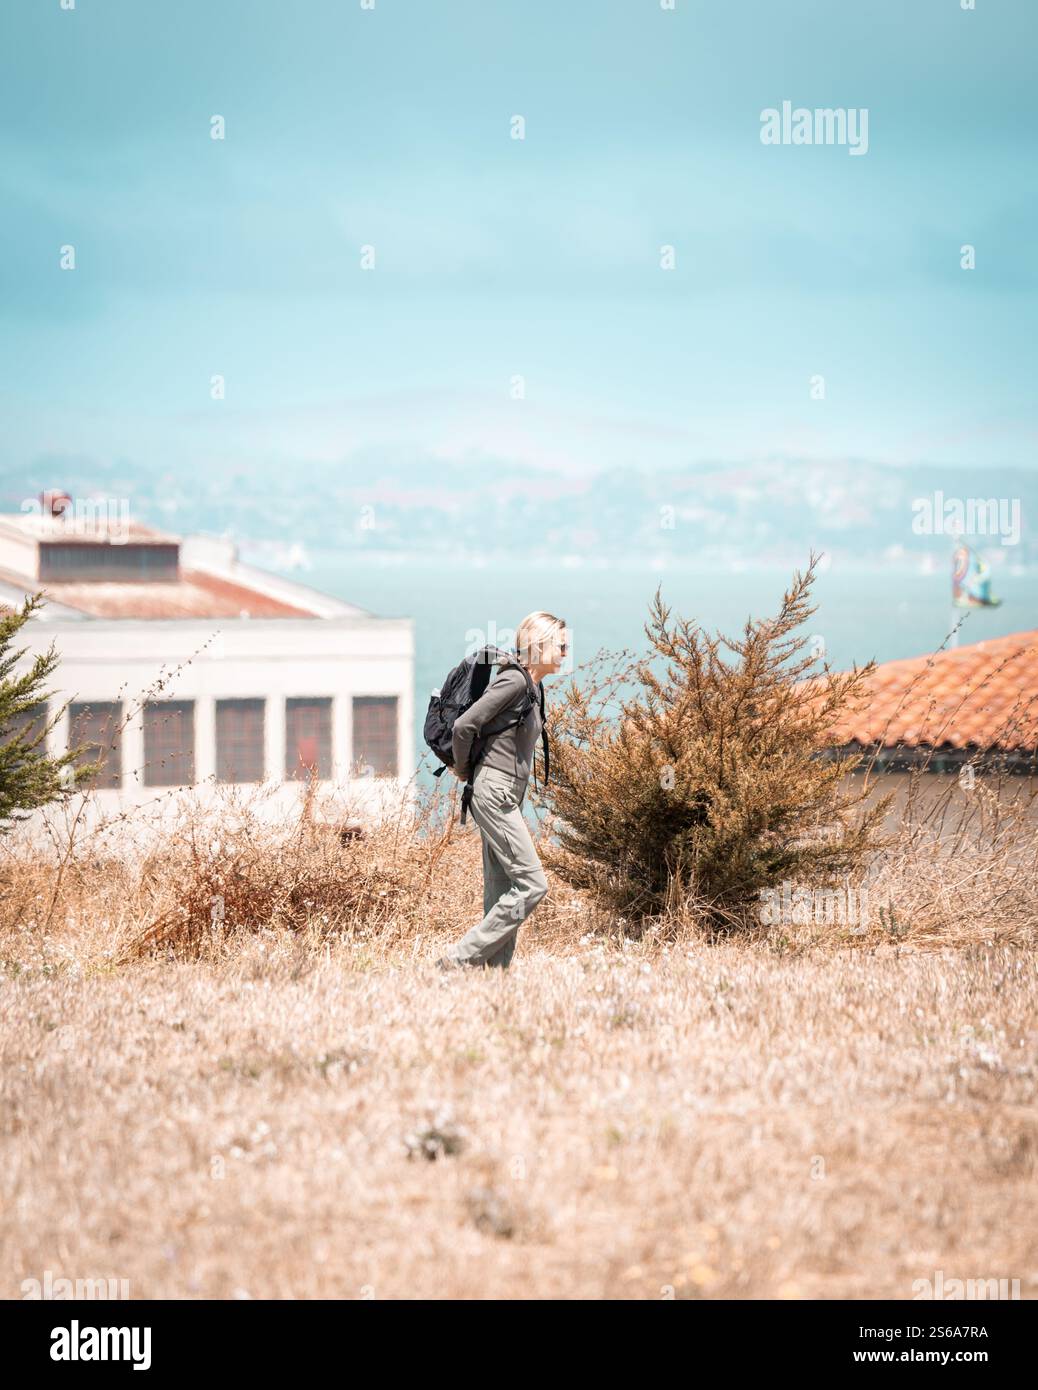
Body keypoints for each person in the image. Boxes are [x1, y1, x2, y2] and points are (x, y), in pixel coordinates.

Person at [436, 612, 568, 971]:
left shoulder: (533, 686)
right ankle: (458, 960)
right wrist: (463, 771)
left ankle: (495, 976)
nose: (566, 652)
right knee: (531, 883)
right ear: (540, 645)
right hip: (494, 793)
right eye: (561, 645)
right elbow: (464, 726)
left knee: (500, 890)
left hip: (506, 795)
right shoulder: (513, 682)